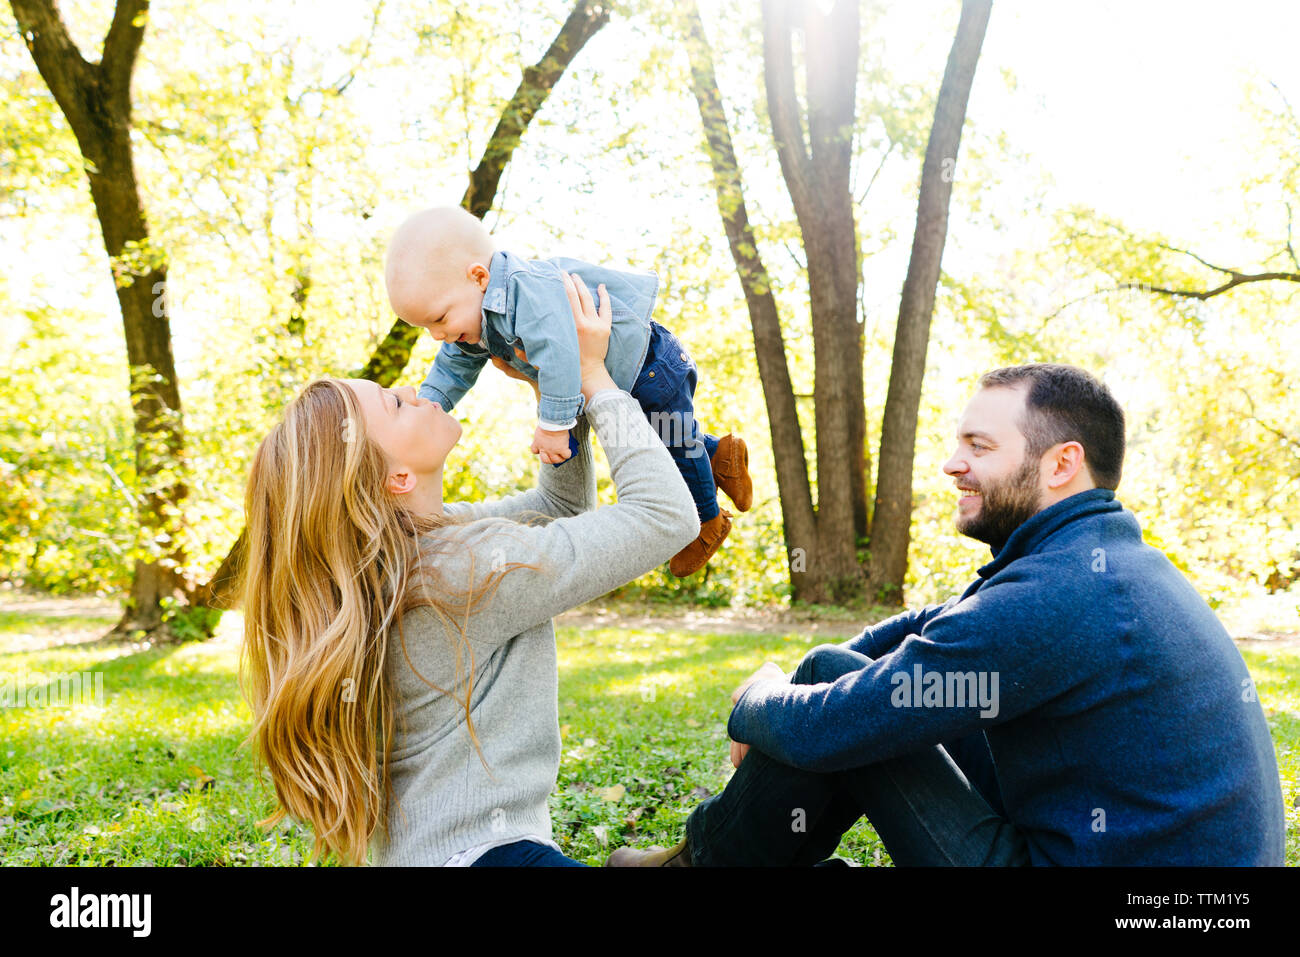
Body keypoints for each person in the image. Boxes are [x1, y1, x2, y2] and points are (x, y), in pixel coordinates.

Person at [608, 363, 1287, 866]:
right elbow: (938, 618)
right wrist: (799, 676)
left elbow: (835, 726)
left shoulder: (1060, 593)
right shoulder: (1091, 557)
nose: (950, 463)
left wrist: (756, 698)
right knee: (829, 671)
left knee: (836, 713)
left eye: (979, 446)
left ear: (1061, 464)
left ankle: (700, 864)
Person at [239, 274, 700, 866]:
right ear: (397, 478)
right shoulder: (458, 571)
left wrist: (553, 390)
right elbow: (664, 518)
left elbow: (557, 511)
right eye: (396, 403)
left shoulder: (416, 554)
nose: (414, 387)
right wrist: (596, 381)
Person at [383, 205, 753, 577]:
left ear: (479, 277)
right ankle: (721, 455)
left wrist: (554, 426)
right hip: (624, 376)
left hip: (650, 364)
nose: (436, 335)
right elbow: (452, 366)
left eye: (439, 319)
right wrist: (429, 404)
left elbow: (561, 357)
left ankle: (707, 519)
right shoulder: (473, 316)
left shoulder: (526, 293)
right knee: (665, 434)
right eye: (425, 327)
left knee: (674, 443)